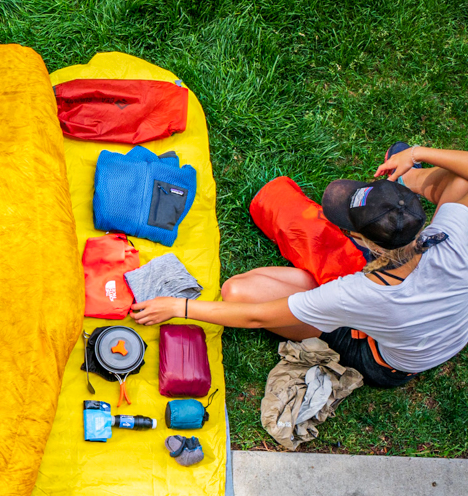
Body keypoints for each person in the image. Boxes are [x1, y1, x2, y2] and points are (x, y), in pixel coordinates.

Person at [131, 143, 468, 388]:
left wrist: (177, 307)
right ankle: (411, 178)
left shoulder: (357, 293)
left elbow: (256, 315)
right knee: (461, 182)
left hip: (382, 358)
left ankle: (408, 177)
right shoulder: (456, 231)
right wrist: (415, 153)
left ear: (361, 241)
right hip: (437, 329)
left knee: (238, 291)